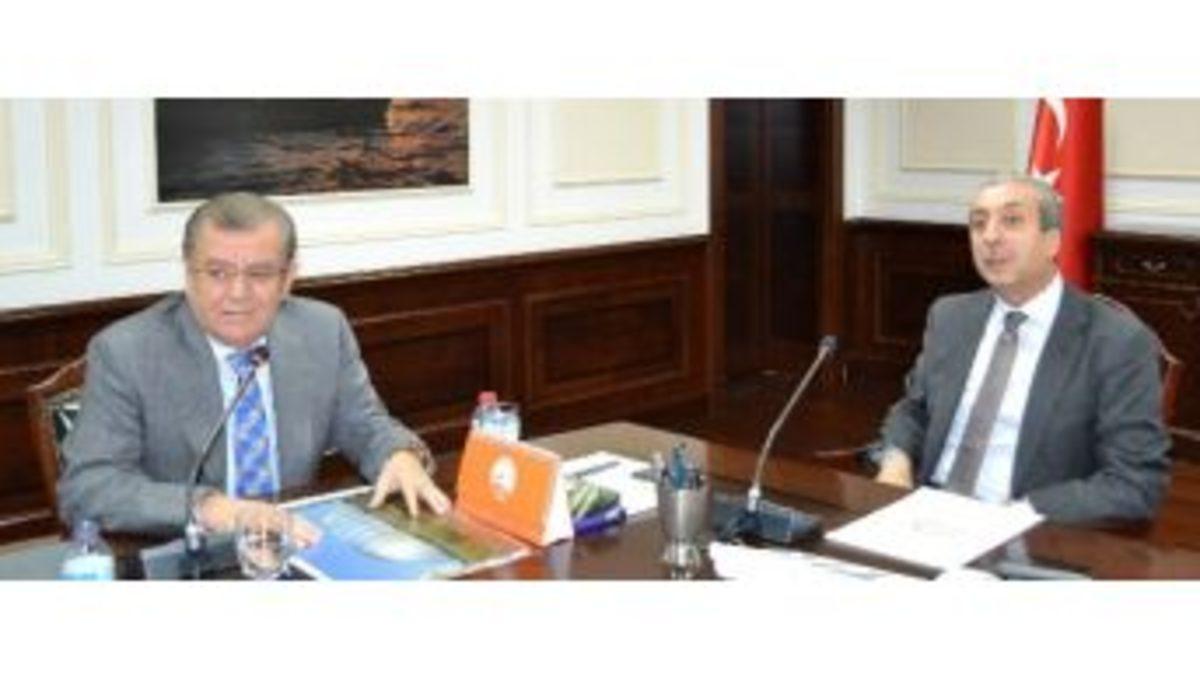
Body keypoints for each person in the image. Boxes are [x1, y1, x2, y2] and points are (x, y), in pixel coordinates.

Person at [59, 192, 451, 540]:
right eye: (217, 273)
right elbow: (89, 486)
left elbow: (364, 424)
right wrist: (212, 510)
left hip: (295, 541)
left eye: (260, 274)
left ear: (288, 278)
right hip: (189, 555)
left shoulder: (322, 329)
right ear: (188, 272)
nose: (238, 293)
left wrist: (398, 456)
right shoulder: (127, 351)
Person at [874, 175, 1170, 523]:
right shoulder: (951, 316)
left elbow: (1135, 483)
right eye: (978, 223)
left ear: (1052, 241)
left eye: (1011, 220)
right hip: (924, 513)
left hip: (1030, 527)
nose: (990, 237)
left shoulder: (1116, 340)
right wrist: (895, 463)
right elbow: (915, 410)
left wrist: (1019, 516)